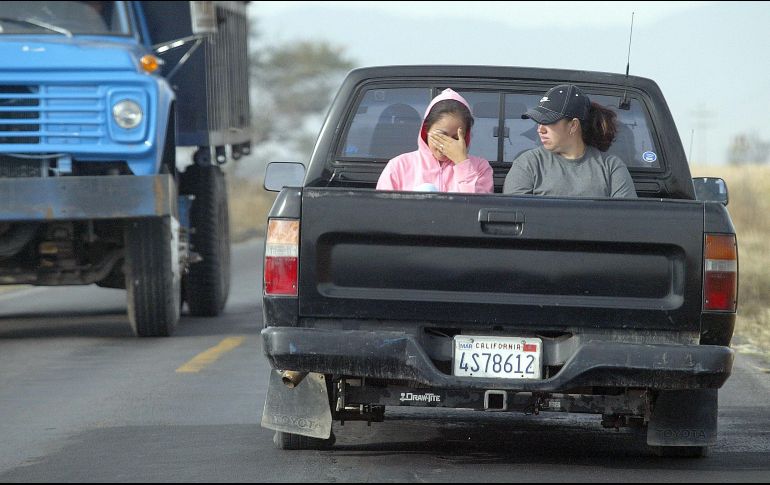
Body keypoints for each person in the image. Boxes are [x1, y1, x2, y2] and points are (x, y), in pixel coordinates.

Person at [503, 84, 637, 198]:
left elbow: (625, 222)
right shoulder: (527, 164)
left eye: (548, 121)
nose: (540, 129)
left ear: (573, 125)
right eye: (538, 122)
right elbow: (516, 217)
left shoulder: (611, 168)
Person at [376, 88, 493, 193]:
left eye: (456, 138)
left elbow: (478, 207)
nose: (448, 144)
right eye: (442, 135)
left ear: (466, 137)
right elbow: (383, 210)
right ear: (426, 130)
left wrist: (462, 163)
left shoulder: (480, 167)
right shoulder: (399, 166)